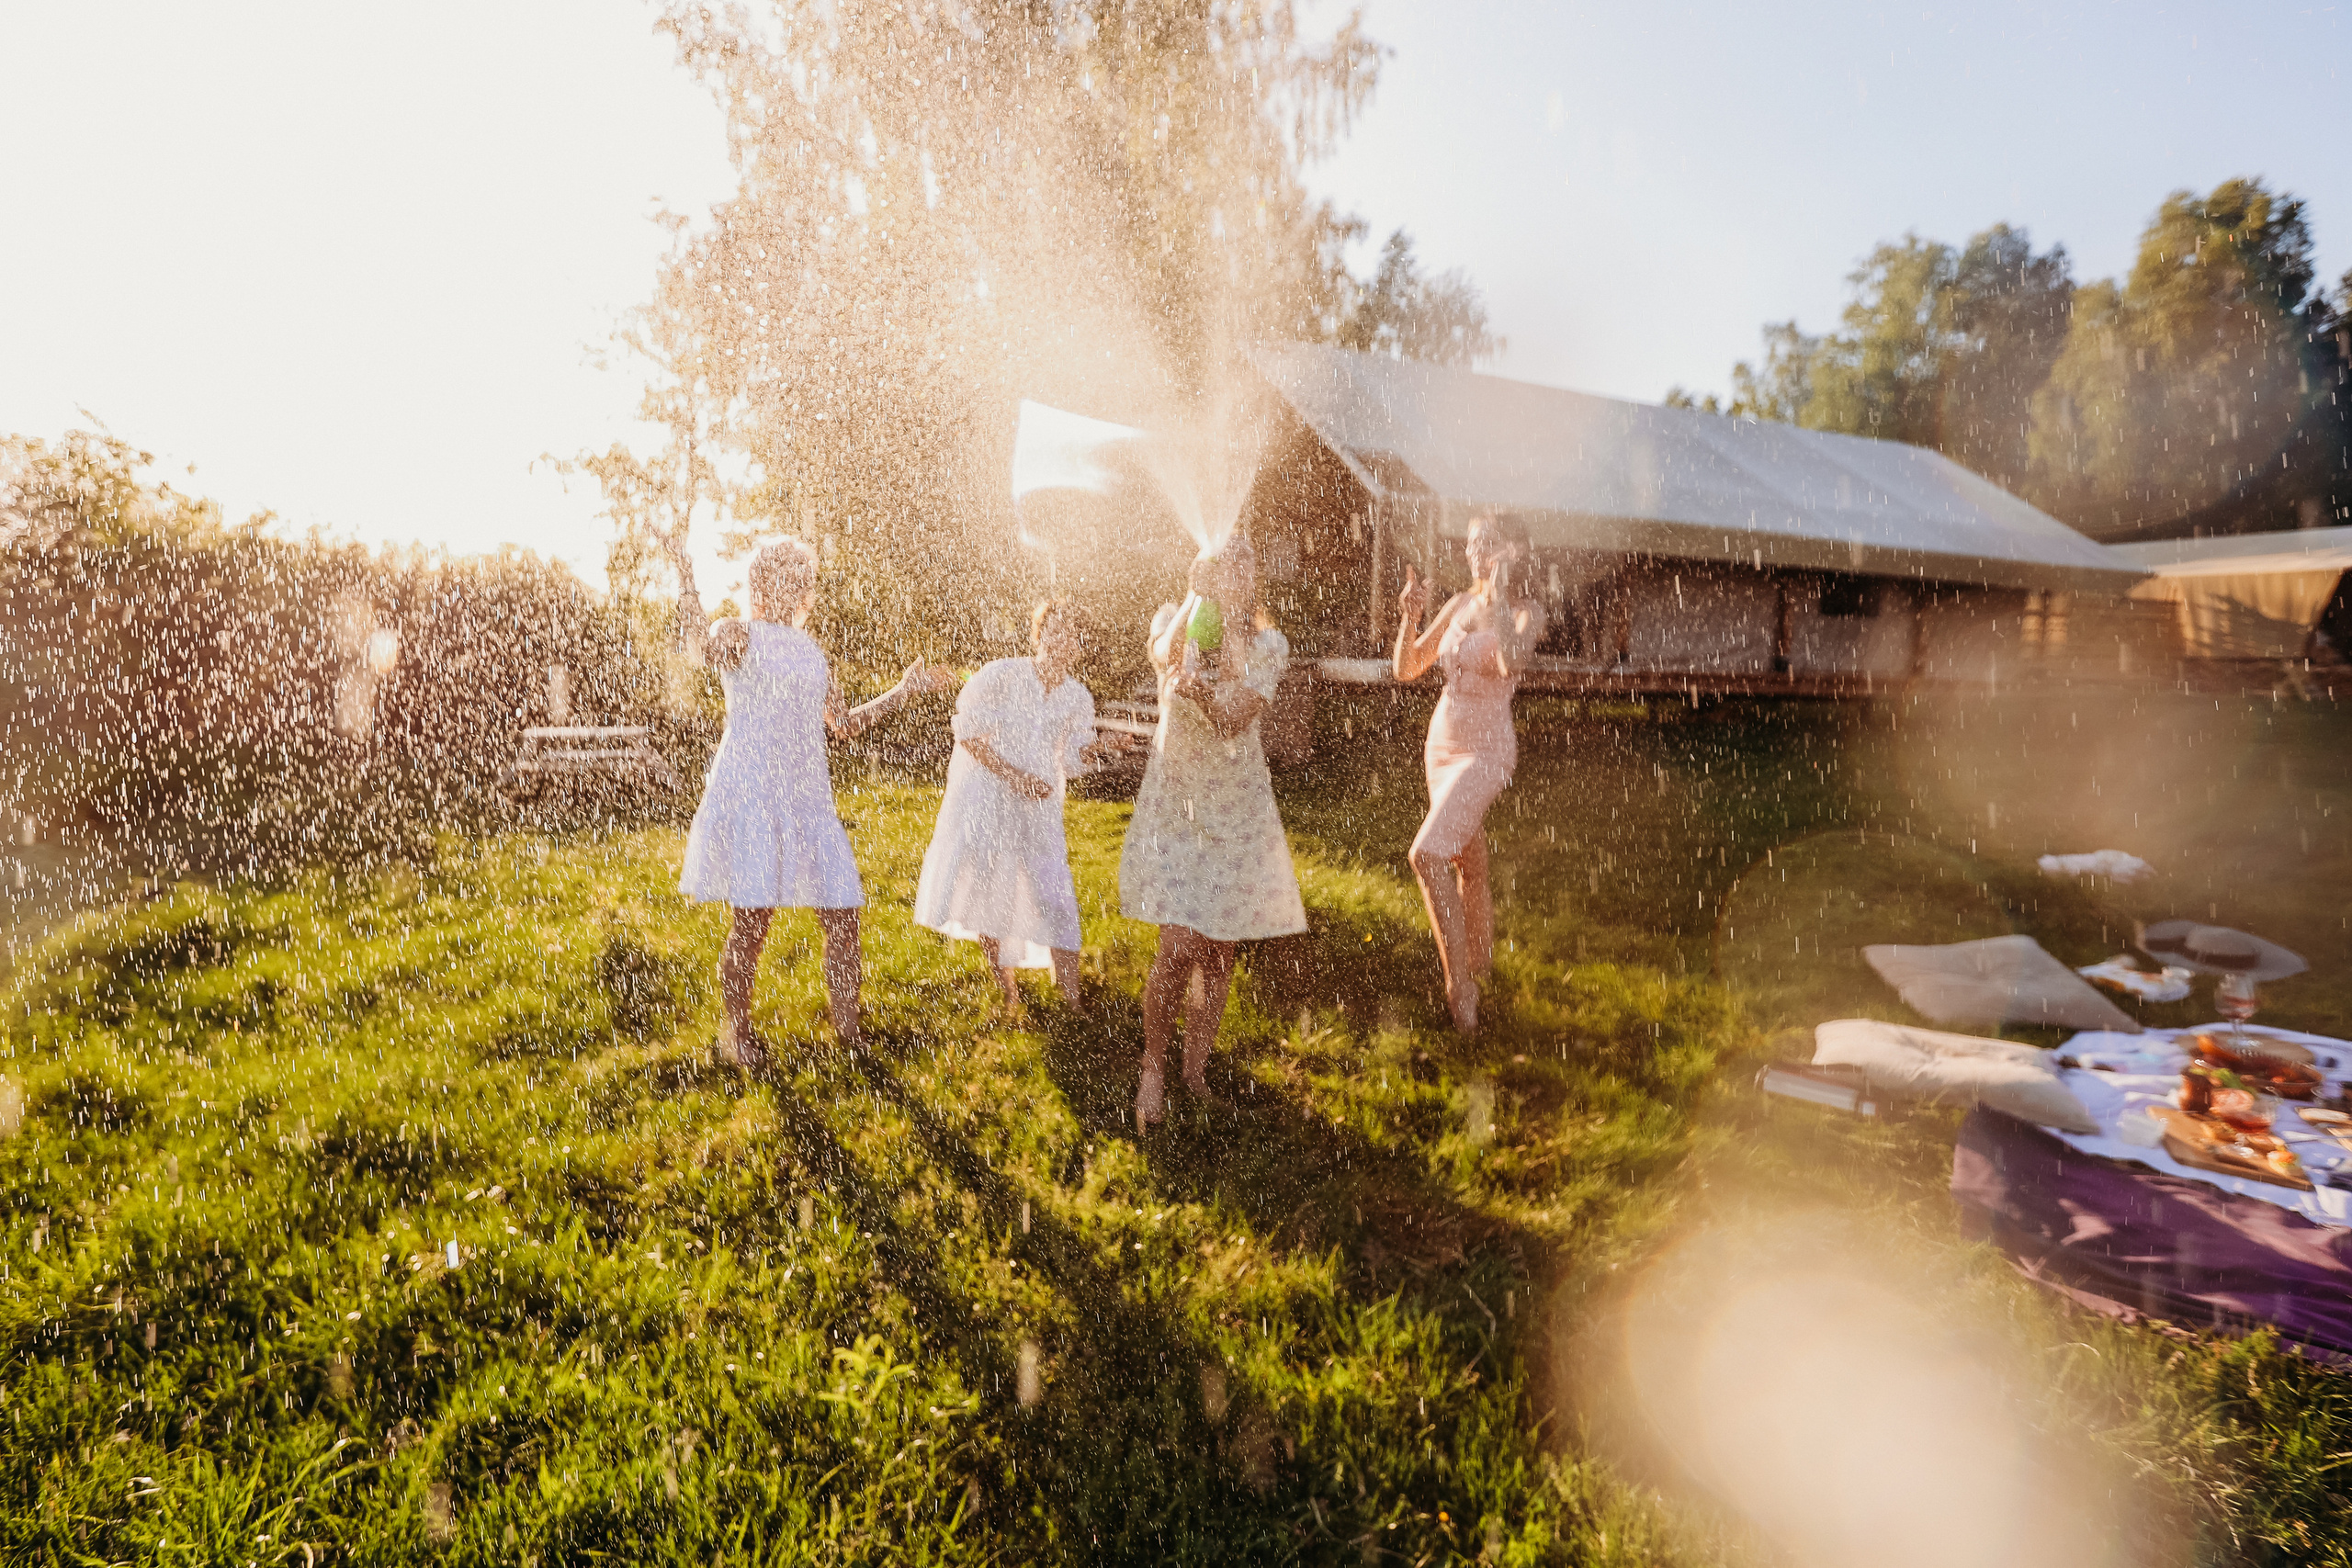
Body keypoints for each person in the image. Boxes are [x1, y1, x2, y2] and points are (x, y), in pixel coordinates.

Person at [675, 537, 955, 1068]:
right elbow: (702, 647)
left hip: (808, 799)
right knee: (752, 921)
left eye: (800, 577)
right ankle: (735, 1034)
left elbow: (844, 726)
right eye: (781, 575)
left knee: (844, 913)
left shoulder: (812, 651)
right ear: (760, 582)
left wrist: (904, 689)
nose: (793, 585)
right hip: (756, 794)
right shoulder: (738, 633)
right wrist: (689, 584)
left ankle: (849, 1034)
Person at [1119, 536, 1306, 1126]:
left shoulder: (1268, 644)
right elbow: (1163, 655)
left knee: (1221, 950)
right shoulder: (1172, 618)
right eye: (1223, 558)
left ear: (1254, 576)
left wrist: (1199, 686)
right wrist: (1194, 596)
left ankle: (1195, 1072)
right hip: (1179, 804)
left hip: (1237, 808)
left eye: (1244, 560)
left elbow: (1231, 721)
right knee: (1176, 948)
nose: (1233, 568)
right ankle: (1154, 1066)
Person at [913, 600, 1133, 1020]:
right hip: (989, 797)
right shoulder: (1002, 675)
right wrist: (1015, 777)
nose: (1060, 639)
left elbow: (1070, 758)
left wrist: (1103, 746)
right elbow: (970, 736)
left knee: (1056, 894)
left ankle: (1072, 999)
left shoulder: (1077, 696)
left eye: (1070, 633)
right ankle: (1009, 994)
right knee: (990, 892)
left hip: (1041, 805)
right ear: (1039, 635)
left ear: (1081, 645)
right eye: (1052, 630)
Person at [1392, 514, 1545, 1035]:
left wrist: (1497, 598)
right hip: (1442, 746)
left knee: (1427, 854)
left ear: (1515, 551)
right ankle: (1481, 961)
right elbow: (1408, 667)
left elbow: (1509, 663)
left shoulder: (1528, 612)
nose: (1477, 553)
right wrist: (1410, 618)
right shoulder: (1457, 604)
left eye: (1490, 544)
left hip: (1485, 752)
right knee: (1468, 861)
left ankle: (1462, 986)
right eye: (1473, 544)